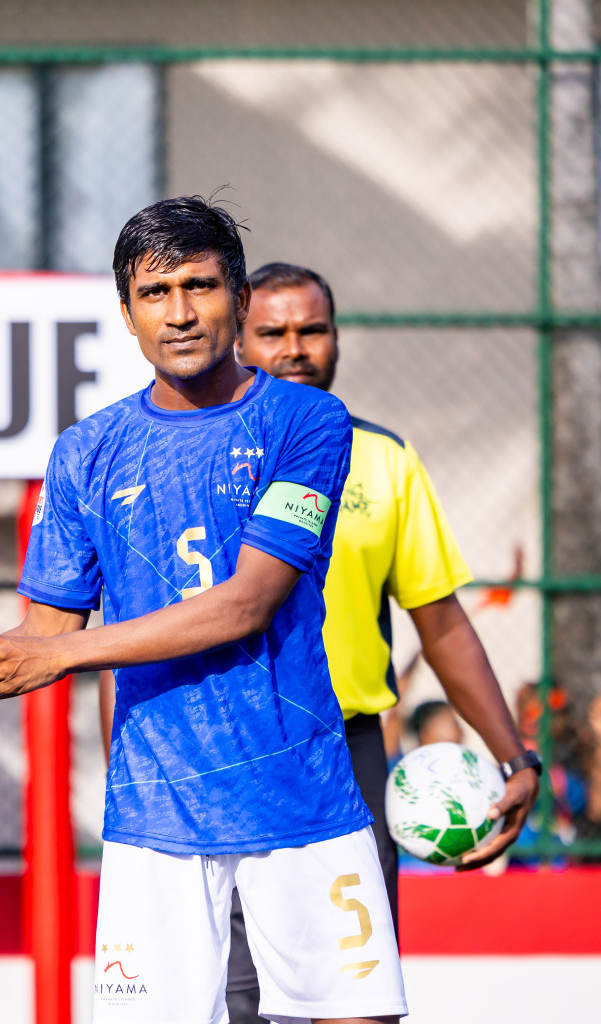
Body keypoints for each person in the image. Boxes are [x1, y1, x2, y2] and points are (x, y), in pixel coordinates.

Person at [0, 196, 407, 1023]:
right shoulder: (86, 452)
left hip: (301, 799)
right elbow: (38, 638)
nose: (179, 313)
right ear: (127, 313)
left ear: (238, 300)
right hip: (155, 815)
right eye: (155, 293)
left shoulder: (307, 421)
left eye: (200, 287)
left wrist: (61, 653)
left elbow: (247, 603)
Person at [211, 262, 541, 1023]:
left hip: (348, 754)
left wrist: (513, 756)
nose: (295, 348)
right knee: (237, 999)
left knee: (359, 998)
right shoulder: (194, 453)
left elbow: (441, 622)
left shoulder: (384, 458)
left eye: (312, 330)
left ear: (336, 338)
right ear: (239, 340)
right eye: (273, 332)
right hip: (227, 753)